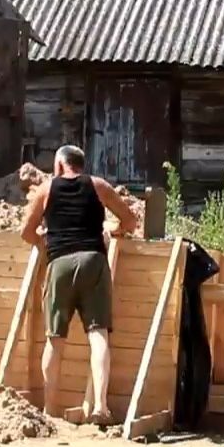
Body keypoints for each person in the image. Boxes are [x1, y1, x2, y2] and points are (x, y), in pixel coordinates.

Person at [21, 145, 138, 422]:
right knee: (98, 336)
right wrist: (119, 231)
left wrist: (44, 242)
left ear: (60, 165)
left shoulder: (46, 190)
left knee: (55, 338)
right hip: (93, 261)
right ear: (80, 165)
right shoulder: (98, 185)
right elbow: (131, 220)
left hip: (59, 263)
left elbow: (26, 231)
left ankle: (50, 408)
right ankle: (100, 406)